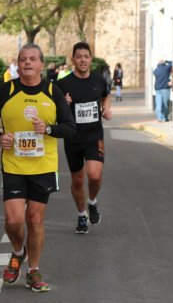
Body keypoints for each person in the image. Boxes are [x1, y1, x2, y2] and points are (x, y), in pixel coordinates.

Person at [0, 43, 76, 292]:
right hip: (14, 164)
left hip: (43, 165)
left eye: (33, 59)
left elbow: (69, 127)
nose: (27, 63)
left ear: (41, 65)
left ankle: (33, 271)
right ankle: (17, 252)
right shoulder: (5, 90)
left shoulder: (53, 91)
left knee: (35, 220)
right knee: (14, 221)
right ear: (18, 63)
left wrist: (47, 129)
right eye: (23, 59)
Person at [55, 42, 112, 234]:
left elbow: (106, 96)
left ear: (91, 59)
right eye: (78, 56)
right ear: (73, 59)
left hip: (94, 136)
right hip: (73, 138)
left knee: (94, 175)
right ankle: (81, 216)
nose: (82, 60)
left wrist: (106, 108)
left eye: (86, 56)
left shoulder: (98, 80)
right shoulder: (63, 85)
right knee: (78, 180)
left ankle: (92, 202)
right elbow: (52, 110)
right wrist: (63, 103)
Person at [153, 58, 173, 122]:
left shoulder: (155, 70)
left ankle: (159, 117)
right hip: (165, 88)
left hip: (157, 88)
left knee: (158, 104)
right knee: (165, 104)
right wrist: (167, 61)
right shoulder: (166, 68)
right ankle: (165, 117)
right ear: (164, 63)